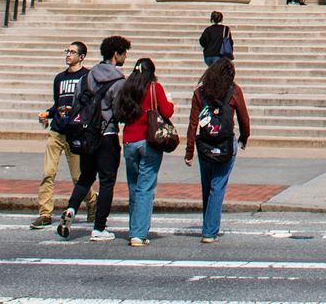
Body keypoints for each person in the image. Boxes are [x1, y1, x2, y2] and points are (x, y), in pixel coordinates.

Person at [59, 34, 129, 242]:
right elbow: (120, 111)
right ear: (116, 54)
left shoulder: (86, 76)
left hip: (87, 133)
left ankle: (71, 208)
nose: (125, 57)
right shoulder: (119, 80)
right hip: (107, 134)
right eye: (124, 53)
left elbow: (77, 102)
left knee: (86, 176)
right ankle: (99, 227)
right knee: (107, 181)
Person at [185, 58, 252, 241]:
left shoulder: (200, 93)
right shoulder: (234, 91)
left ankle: (208, 225)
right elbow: (244, 119)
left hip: (205, 144)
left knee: (207, 185)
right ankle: (210, 230)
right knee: (218, 185)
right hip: (225, 143)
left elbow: (193, 124)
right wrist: (244, 137)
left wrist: (189, 151)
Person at [118, 57, 175, 247]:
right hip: (148, 140)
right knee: (145, 187)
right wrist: (171, 102)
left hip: (129, 140)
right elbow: (166, 111)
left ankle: (134, 228)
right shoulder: (154, 88)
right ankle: (138, 233)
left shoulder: (128, 88)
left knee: (134, 186)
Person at [34, 40, 91, 228]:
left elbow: (89, 104)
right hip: (56, 131)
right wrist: (47, 114)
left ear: (81, 57)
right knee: (48, 173)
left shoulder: (87, 77)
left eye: (72, 52)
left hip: (75, 132)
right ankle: (45, 213)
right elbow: (57, 104)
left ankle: (92, 202)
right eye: (67, 51)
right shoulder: (59, 78)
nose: (68, 55)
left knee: (78, 177)